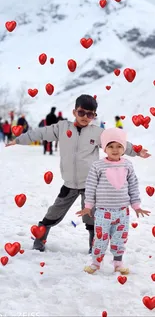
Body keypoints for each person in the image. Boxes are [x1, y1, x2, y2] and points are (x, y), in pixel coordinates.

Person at [6, 95, 150, 253]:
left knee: (92, 216)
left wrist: (136, 151)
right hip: (69, 184)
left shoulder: (97, 133)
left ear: (94, 116)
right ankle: (40, 237)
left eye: (90, 114)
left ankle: (94, 245)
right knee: (54, 212)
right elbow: (40, 133)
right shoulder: (62, 128)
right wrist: (19, 139)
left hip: (91, 184)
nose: (85, 117)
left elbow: (118, 143)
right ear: (75, 111)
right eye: (82, 113)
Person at [76, 128, 150, 274]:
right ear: (104, 148)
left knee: (120, 239)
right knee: (100, 239)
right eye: (110, 146)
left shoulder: (127, 165)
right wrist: (88, 205)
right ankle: (96, 263)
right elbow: (91, 186)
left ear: (123, 148)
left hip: (122, 211)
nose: (115, 150)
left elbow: (133, 185)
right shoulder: (98, 166)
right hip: (103, 212)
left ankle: (118, 262)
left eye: (119, 146)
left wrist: (136, 205)